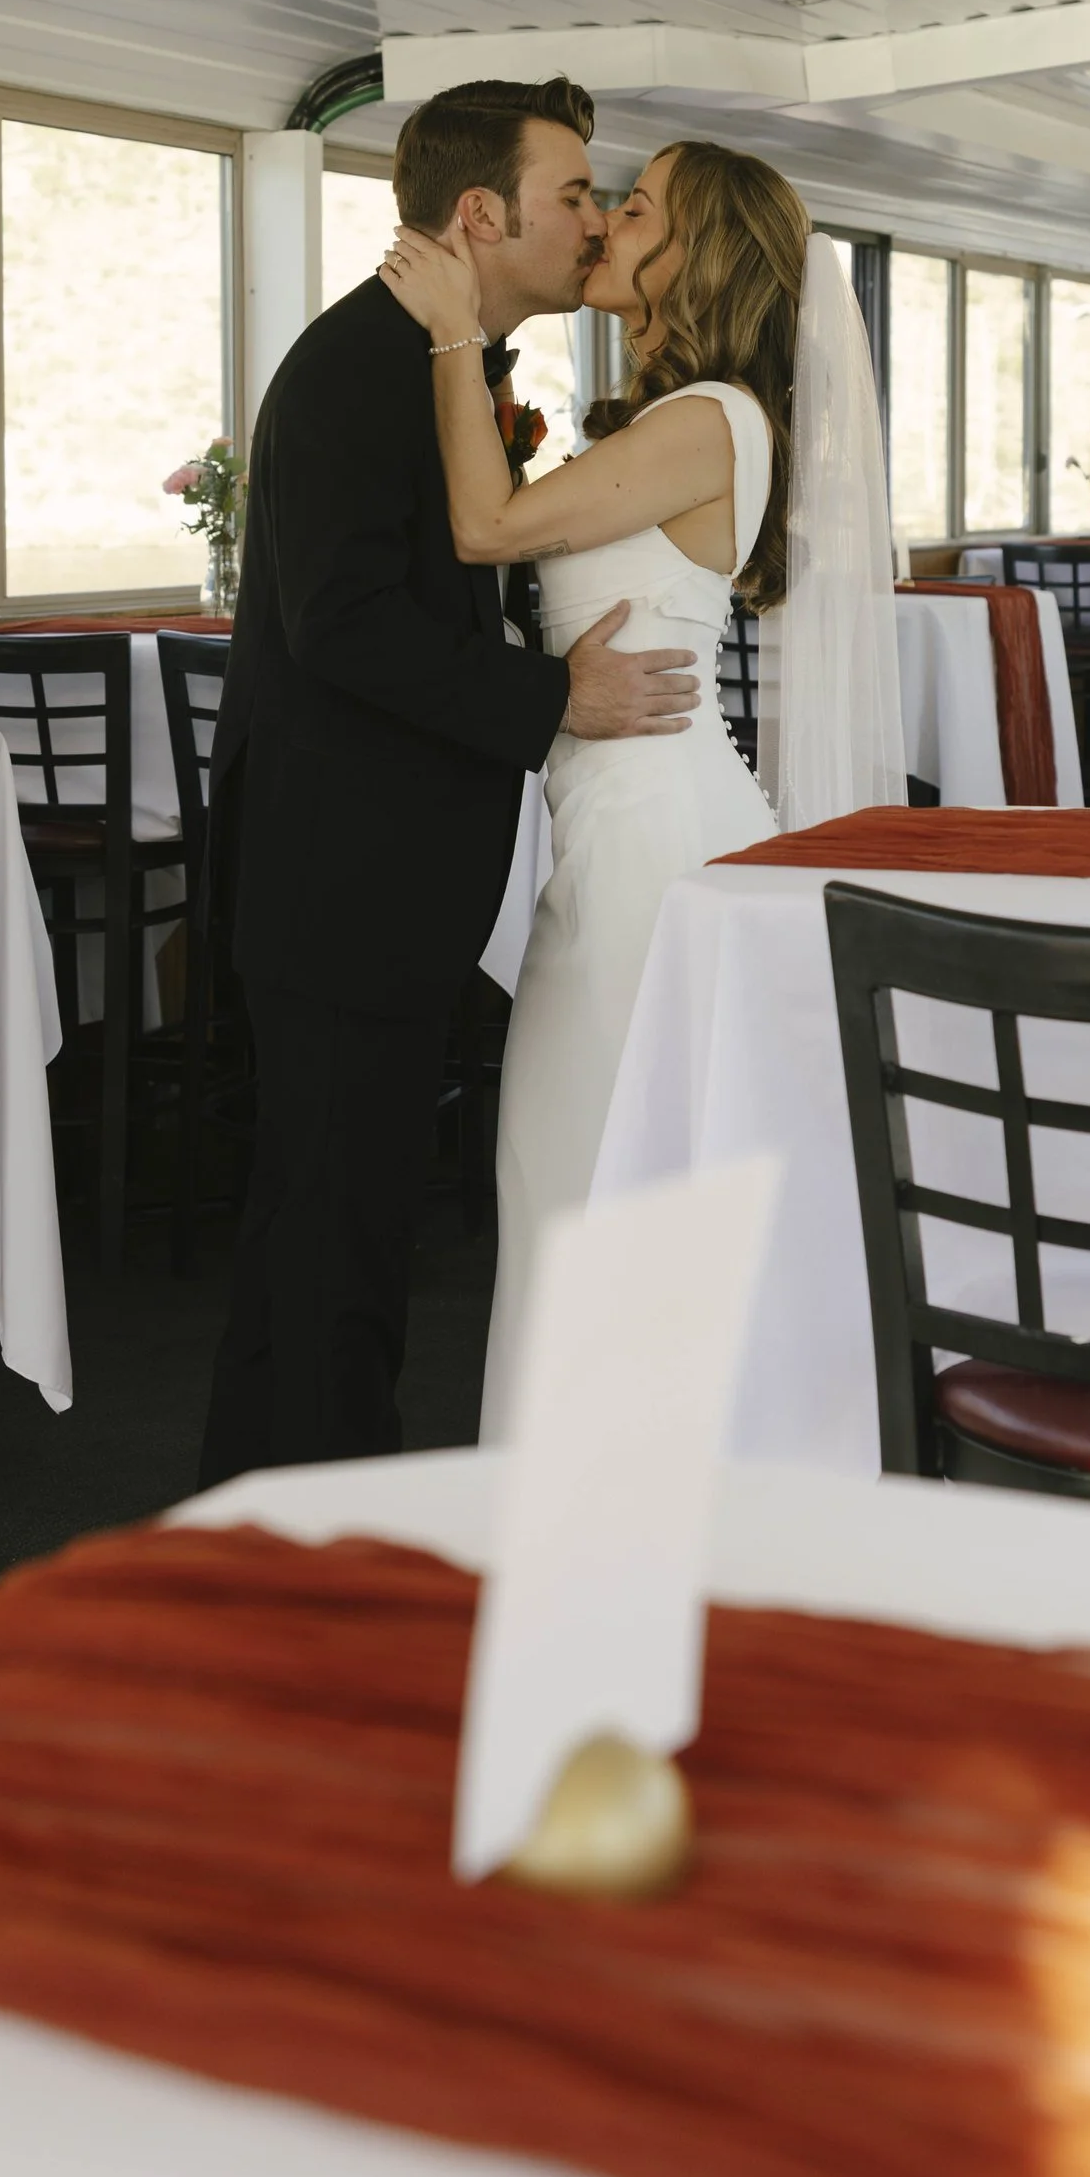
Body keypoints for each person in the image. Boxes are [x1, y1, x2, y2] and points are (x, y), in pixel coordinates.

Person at [197, 74, 697, 1481]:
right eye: (574, 195)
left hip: (384, 863)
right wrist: (557, 697)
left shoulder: (440, 363)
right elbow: (342, 624)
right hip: (341, 868)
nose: (592, 221)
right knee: (330, 1228)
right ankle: (310, 1546)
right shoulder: (362, 366)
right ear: (484, 214)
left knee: (340, 1223)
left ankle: (276, 1521)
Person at [379, 141, 904, 1432]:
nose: (609, 219)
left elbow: (487, 528)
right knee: (587, 1178)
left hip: (655, 844)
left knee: (584, 1182)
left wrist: (455, 337)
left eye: (639, 204)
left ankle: (610, 1503)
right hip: (615, 827)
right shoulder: (675, 418)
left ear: (696, 254)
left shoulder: (711, 417)